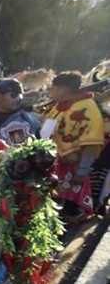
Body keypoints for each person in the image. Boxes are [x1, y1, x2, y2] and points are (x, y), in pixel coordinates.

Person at [45, 71, 105, 222]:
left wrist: (82, 171)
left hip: (73, 166)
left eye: (53, 88)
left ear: (63, 89)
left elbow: (91, 143)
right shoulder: (58, 106)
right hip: (52, 163)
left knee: (67, 211)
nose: (50, 91)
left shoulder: (88, 108)